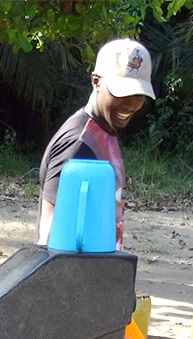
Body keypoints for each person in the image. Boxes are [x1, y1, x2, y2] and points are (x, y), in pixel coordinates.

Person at [37, 38, 155, 249]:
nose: (130, 103)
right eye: (121, 92)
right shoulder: (79, 143)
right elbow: (50, 234)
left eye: (138, 95)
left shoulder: (103, 131)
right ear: (96, 81)